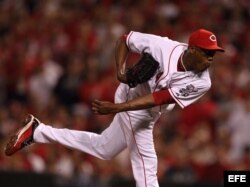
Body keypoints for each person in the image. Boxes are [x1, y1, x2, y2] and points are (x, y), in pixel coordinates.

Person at [5, 28, 224, 187]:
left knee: (104, 149)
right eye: (207, 52)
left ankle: (39, 131)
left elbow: (159, 99)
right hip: (131, 97)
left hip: (146, 106)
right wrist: (120, 71)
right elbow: (125, 39)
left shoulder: (202, 82)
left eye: (213, 53)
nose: (210, 58)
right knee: (147, 164)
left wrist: (118, 108)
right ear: (192, 49)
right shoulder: (163, 47)